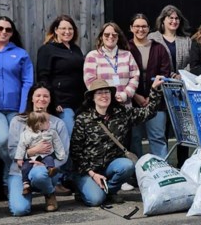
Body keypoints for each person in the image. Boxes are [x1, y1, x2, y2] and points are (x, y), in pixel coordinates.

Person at [70, 77, 165, 207]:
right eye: (99, 93)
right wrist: (93, 174)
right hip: (88, 170)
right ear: (92, 97)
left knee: (128, 165)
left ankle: (110, 191)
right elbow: (76, 153)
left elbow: (149, 112)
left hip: (111, 166)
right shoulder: (83, 118)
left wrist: (154, 89)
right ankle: (84, 190)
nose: (104, 96)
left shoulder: (121, 113)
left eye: (106, 92)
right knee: (95, 200)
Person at [5, 84, 70, 215]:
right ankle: (28, 187)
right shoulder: (17, 121)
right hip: (20, 170)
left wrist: (46, 164)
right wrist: (32, 151)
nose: (42, 98)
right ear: (32, 99)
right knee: (19, 210)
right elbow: (12, 150)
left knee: (39, 174)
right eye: (38, 95)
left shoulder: (58, 123)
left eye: (46, 96)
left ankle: (49, 193)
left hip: (45, 169)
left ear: (50, 99)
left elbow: (64, 154)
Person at [0, 15, 34, 176]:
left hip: (16, 108)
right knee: (3, 140)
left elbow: (28, 81)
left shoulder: (20, 53)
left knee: (18, 143)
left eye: (8, 29)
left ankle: (9, 176)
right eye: (0, 28)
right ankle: (15, 171)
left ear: (12, 33)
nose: (3, 32)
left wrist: (23, 108)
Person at [148, 5, 194, 166]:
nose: (174, 21)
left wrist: (182, 74)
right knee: (161, 129)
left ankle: (183, 164)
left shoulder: (186, 40)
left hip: (180, 90)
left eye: (176, 18)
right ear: (163, 20)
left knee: (183, 129)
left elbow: (192, 62)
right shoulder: (153, 38)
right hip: (161, 90)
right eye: (170, 18)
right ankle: (164, 164)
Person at [129, 13, 173, 159]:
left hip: (157, 102)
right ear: (131, 28)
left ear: (149, 28)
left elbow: (164, 74)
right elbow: (123, 76)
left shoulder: (159, 48)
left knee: (157, 137)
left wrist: (151, 96)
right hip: (133, 102)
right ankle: (137, 173)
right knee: (134, 139)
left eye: (143, 26)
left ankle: (162, 172)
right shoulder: (125, 48)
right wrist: (136, 96)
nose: (140, 29)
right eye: (137, 26)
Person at [36, 15, 85, 140]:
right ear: (56, 30)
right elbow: (43, 77)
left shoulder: (76, 49)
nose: (67, 32)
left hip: (79, 102)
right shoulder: (47, 50)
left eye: (70, 29)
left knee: (82, 137)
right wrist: (52, 101)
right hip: (62, 103)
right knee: (70, 135)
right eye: (63, 28)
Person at [83, 21, 140, 105]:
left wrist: (126, 94)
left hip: (125, 105)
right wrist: (106, 97)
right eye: (106, 34)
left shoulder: (127, 55)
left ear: (118, 37)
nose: (110, 37)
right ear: (101, 37)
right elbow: (90, 81)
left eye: (114, 35)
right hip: (103, 106)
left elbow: (135, 77)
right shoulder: (92, 56)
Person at [15, 111, 66, 195]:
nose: (50, 123)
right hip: (31, 158)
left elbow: (58, 143)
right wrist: (19, 158)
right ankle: (26, 184)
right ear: (39, 125)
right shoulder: (26, 134)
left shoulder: (51, 132)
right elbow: (21, 146)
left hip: (46, 155)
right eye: (47, 122)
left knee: (49, 159)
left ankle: (50, 169)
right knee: (25, 168)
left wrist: (61, 155)